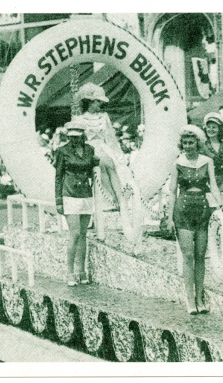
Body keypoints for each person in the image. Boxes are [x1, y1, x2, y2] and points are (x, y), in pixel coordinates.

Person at [167, 125, 223, 315]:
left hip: (202, 209)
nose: (188, 146)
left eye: (191, 142)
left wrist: (221, 207)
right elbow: (172, 191)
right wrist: (169, 217)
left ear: (198, 143)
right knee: (188, 256)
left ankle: (200, 298)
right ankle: (190, 299)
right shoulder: (177, 163)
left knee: (200, 256)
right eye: (185, 142)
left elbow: (213, 186)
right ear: (181, 144)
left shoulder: (207, 161)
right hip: (182, 210)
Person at [73, 83, 133, 235]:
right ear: (90, 101)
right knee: (102, 165)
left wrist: (120, 155)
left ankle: (120, 199)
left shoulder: (104, 117)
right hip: (89, 150)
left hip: (104, 148)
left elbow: (111, 138)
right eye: (98, 101)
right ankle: (115, 198)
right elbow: (78, 140)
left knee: (111, 165)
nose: (101, 104)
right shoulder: (79, 118)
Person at [54, 122, 99, 286]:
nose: (74, 139)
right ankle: (69, 272)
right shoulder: (62, 151)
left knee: (83, 234)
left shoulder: (89, 150)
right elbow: (58, 176)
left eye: (77, 136)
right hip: (69, 194)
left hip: (85, 194)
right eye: (71, 136)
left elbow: (92, 168)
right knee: (74, 234)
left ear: (82, 136)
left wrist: (98, 163)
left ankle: (81, 271)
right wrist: (58, 201)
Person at [202, 112, 223, 212]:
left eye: (214, 127)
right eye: (209, 127)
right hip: (210, 186)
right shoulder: (203, 147)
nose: (211, 130)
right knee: (215, 216)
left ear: (219, 129)